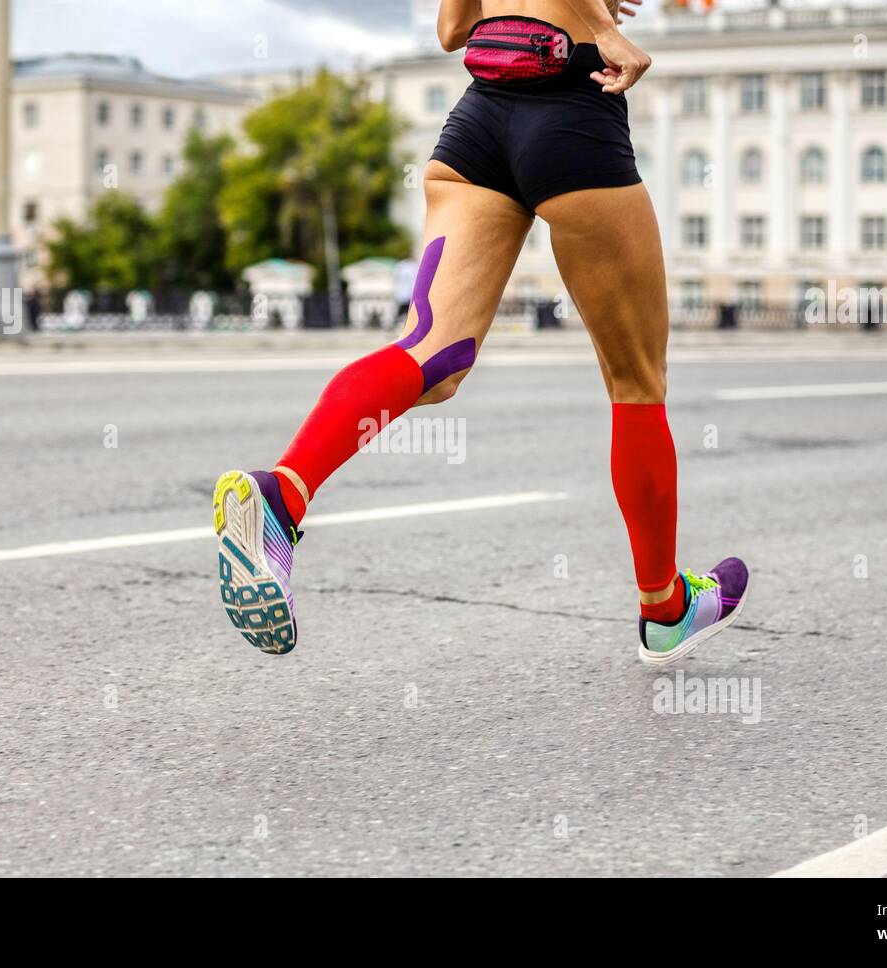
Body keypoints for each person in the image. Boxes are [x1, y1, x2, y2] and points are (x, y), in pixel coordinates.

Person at [213, 0, 748, 664]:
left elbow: (449, 30)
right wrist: (603, 28)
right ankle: (665, 608)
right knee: (636, 380)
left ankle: (282, 493)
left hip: (479, 124)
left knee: (431, 353)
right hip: (570, 111)